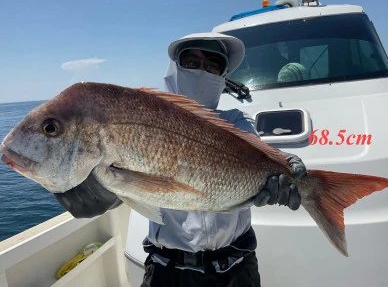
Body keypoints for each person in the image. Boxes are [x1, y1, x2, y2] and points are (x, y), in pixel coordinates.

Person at [54, 32, 307, 287]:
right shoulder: (144, 120)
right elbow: (122, 185)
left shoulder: (235, 120)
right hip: (168, 270)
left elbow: (256, 149)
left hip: (236, 267)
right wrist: (97, 190)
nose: (201, 71)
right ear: (175, 67)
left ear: (223, 76)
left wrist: (283, 164)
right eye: (191, 61)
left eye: (212, 66)